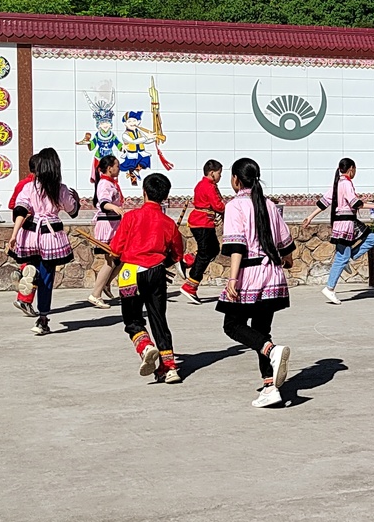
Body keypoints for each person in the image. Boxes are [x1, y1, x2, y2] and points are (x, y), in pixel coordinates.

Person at [218, 157, 295, 408]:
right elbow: (286, 246)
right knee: (261, 330)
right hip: (272, 275)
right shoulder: (270, 205)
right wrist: (286, 261)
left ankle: (272, 351)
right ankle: (270, 387)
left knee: (232, 325)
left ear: (236, 179)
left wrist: (232, 279)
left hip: (249, 275)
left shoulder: (234, 206)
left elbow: (237, 246)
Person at [107, 172, 184, 383]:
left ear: (144, 192)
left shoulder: (131, 217)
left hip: (130, 272)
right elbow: (177, 253)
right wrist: (164, 262)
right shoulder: (168, 223)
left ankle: (145, 346)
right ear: (165, 196)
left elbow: (116, 248)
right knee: (158, 318)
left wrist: (117, 254)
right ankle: (170, 367)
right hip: (156, 271)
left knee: (132, 319)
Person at [8, 148, 81, 336]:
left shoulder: (29, 187)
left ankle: (28, 272)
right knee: (47, 277)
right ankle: (42, 319)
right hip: (51, 235)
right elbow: (72, 211)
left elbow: (20, 210)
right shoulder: (61, 189)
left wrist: (14, 235)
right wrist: (76, 199)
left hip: (30, 233)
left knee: (33, 264)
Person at [319, 158, 374, 305]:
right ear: (351, 168)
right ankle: (329, 288)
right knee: (341, 258)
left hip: (349, 222)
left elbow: (323, 202)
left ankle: (348, 259)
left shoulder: (338, 183)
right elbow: (355, 203)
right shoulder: (345, 183)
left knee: (372, 238)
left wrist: (309, 217)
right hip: (345, 224)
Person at [179, 159, 226, 303]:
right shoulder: (209, 187)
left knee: (213, 249)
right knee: (206, 253)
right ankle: (190, 285)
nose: (220, 176)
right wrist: (227, 207)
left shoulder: (201, 184)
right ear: (212, 173)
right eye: (219, 173)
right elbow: (217, 205)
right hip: (203, 223)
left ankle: (188, 260)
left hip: (201, 222)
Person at [87, 154, 125, 307]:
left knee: (120, 258)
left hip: (114, 224)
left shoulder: (110, 183)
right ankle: (96, 294)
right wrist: (115, 207)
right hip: (108, 225)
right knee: (110, 260)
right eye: (117, 166)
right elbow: (103, 203)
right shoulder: (104, 184)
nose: (119, 169)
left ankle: (106, 283)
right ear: (110, 168)